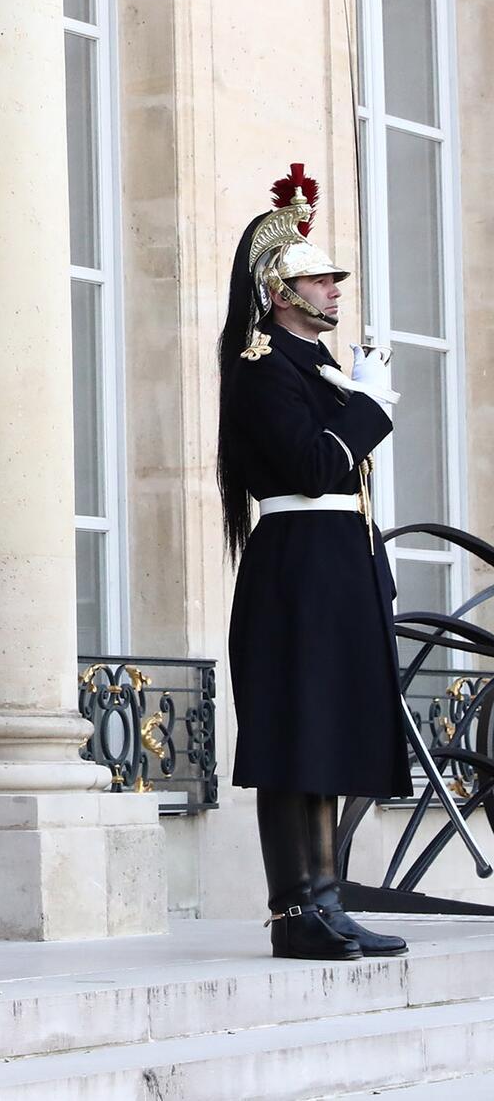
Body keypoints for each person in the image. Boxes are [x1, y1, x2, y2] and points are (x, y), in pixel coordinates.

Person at [216, 163, 410, 961]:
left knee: (324, 737)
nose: (334, 291)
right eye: (318, 281)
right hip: (297, 566)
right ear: (278, 291)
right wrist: (369, 407)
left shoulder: (321, 371)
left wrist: (354, 396)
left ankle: (327, 899)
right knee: (295, 737)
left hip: (336, 565)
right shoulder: (264, 369)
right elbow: (313, 469)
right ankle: (293, 911)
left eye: (332, 280)